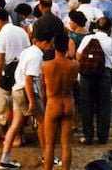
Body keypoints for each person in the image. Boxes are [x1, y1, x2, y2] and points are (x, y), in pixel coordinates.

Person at [0, 32, 55, 170]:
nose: (50, 47)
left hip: (17, 90)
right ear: (43, 42)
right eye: (50, 44)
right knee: (43, 124)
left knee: (15, 124)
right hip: (26, 92)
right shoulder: (36, 56)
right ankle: (46, 155)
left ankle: (4, 158)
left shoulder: (27, 51)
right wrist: (31, 101)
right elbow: (29, 80)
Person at [76, 17, 112, 145]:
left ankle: (88, 137)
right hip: (104, 74)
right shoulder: (111, 42)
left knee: (86, 105)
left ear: (97, 27)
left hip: (86, 75)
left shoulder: (87, 38)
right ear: (109, 28)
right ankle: (102, 137)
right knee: (104, 106)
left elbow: (78, 56)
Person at [42, 32, 80, 170]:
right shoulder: (75, 65)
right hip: (68, 103)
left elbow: (43, 87)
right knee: (66, 144)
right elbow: (75, 83)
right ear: (66, 47)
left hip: (53, 104)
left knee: (49, 144)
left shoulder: (46, 66)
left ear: (54, 46)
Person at [0, 9, 31, 94]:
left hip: (9, 71)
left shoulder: (0, 35)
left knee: (6, 100)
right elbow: (28, 51)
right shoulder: (22, 31)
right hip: (23, 70)